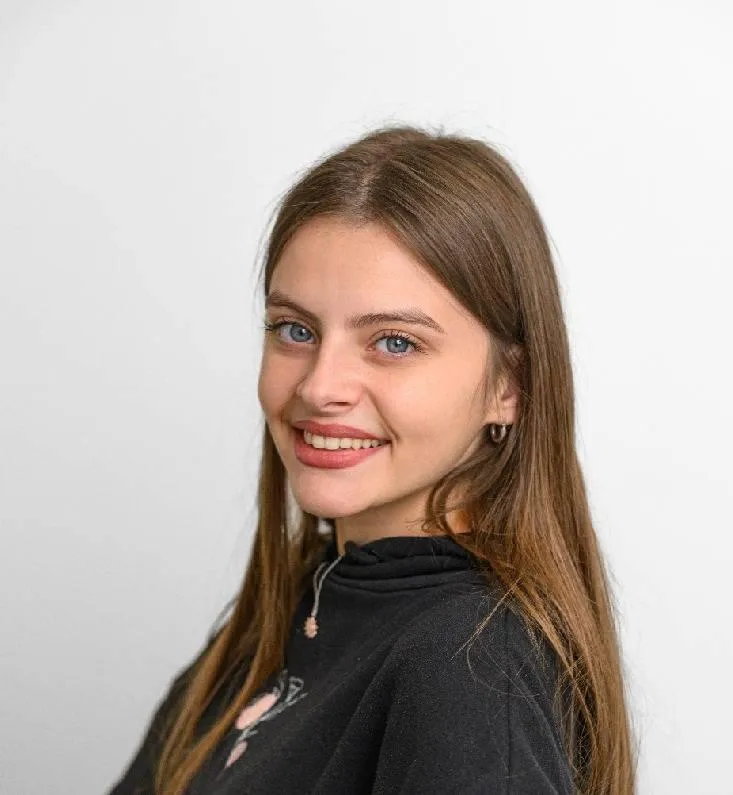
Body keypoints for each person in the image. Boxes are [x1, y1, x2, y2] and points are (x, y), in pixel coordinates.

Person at [108, 125, 637, 795]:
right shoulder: (291, 613)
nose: (319, 386)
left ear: (510, 387)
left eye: (394, 342)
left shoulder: (469, 664)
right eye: (295, 330)